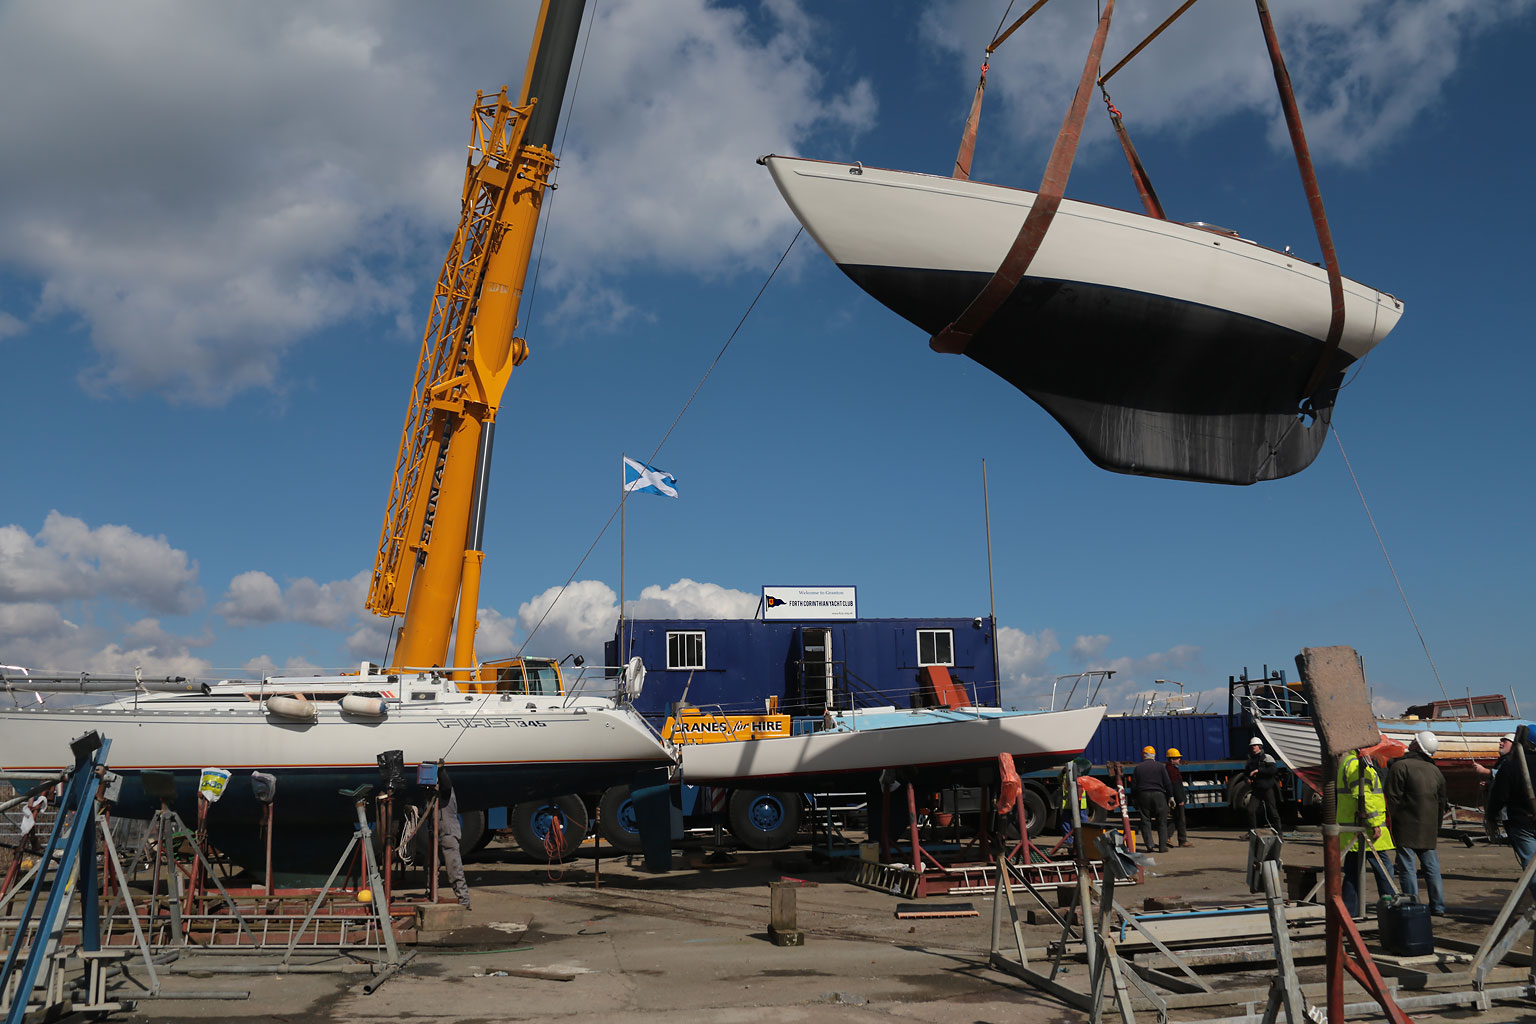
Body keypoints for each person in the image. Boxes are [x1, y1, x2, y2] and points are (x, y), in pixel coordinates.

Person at [1387, 731, 1448, 915]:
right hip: (1429, 828)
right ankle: (1438, 906)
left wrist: (1388, 823)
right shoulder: (1436, 771)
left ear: (1417, 746)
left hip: (1405, 827)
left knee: (1407, 867)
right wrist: (1436, 826)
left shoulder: (1400, 767)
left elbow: (1391, 799)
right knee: (1432, 868)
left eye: (1414, 740)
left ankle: (1413, 906)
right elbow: (1442, 802)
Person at [1338, 745, 1396, 917]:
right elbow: (1363, 795)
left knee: (1352, 874)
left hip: (1353, 828)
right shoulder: (1357, 765)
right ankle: (1390, 910)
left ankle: (1349, 913)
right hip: (1365, 830)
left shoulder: (1348, 762)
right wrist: (1375, 823)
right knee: (1384, 870)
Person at [1486, 728, 1536, 900]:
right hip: (1525, 821)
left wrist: (1491, 817)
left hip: (1522, 823)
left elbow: (1499, 796)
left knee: (1531, 867)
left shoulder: (1511, 765)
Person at [436, 765, 471, 909]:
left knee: (454, 869)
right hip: (435, 835)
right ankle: (431, 894)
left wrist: (441, 770)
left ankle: (463, 900)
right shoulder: (431, 796)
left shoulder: (445, 793)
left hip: (448, 834)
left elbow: (446, 784)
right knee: (431, 867)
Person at [1131, 746, 1173, 853]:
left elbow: (1134, 786)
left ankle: (1149, 845)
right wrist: (1170, 796)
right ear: (1154, 755)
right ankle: (1162, 847)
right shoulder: (1160, 767)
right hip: (1159, 795)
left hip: (1143, 795)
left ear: (1143, 755)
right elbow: (1167, 783)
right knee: (1162, 821)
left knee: (1145, 821)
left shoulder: (1138, 768)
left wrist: (1134, 800)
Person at [1244, 738, 1282, 832]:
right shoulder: (1250, 760)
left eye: (1255, 745)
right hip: (1257, 790)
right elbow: (1246, 773)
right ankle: (1252, 833)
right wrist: (1247, 779)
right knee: (1250, 810)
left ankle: (1279, 833)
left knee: (1273, 811)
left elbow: (1273, 770)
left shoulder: (1267, 757)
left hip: (1267, 788)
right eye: (1252, 746)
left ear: (1259, 746)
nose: (1253, 747)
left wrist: (1258, 770)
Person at [1166, 748, 1190, 847]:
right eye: (1177, 758)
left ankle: (1166, 837)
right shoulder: (1172, 770)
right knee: (1181, 819)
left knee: (1176, 819)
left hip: (1174, 798)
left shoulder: (1168, 768)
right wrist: (1180, 799)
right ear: (1172, 759)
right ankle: (1183, 841)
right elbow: (1176, 786)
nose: (1179, 760)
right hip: (1177, 799)